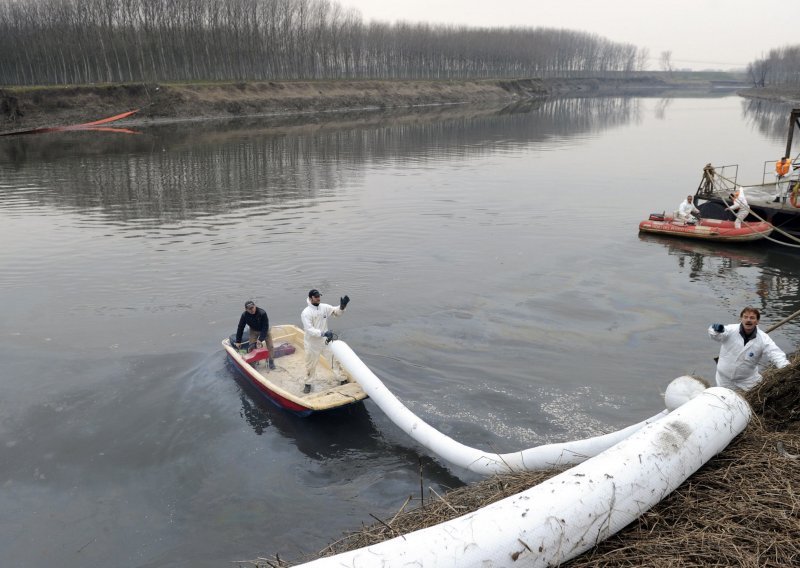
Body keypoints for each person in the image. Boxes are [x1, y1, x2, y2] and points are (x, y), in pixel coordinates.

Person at [709, 306, 789, 391]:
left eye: (752, 318)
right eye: (745, 317)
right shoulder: (730, 330)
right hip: (724, 379)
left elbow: (776, 354)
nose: (748, 320)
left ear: (757, 321)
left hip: (747, 381)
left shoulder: (763, 339)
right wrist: (715, 330)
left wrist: (787, 368)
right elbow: (716, 336)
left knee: (758, 398)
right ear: (741, 319)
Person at [300, 288, 350, 394]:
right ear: (310, 298)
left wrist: (342, 306)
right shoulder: (306, 313)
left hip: (326, 341)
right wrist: (323, 333)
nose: (318, 298)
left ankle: (342, 379)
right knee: (311, 365)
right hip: (312, 344)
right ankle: (308, 383)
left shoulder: (324, 307)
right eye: (316, 297)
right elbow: (309, 330)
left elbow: (336, 312)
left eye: (319, 296)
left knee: (334, 360)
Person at [235, 300, 275, 370]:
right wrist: (238, 341)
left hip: (264, 331)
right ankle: (253, 363)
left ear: (255, 306)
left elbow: (265, 326)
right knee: (251, 347)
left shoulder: (262, 313)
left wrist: (260, 339)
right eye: (249, 309)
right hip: (253, 331)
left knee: (270, 346)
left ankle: (271, 361)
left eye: (252, 308)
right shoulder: (244, 315)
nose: (252, 310)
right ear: (246, 309)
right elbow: (240, 327)